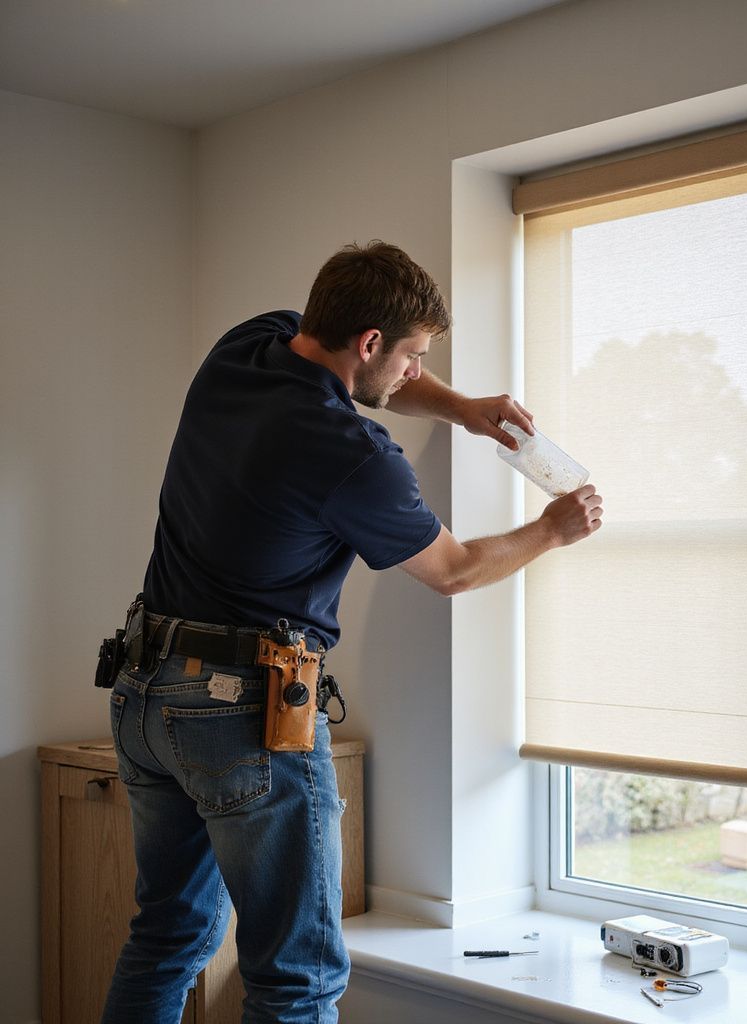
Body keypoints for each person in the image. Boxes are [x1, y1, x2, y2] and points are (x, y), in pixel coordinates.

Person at [100, 240, 603, 1024]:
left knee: (166, 935)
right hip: (241, 716)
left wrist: (462, 406)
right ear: (371, 343)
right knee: (295, 980)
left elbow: (374, 381)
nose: (414, 374)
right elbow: (455, 570)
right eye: (414, 357)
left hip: (143, 690)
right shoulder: (355, 455)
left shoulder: (247, 345)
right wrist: (551, 529)